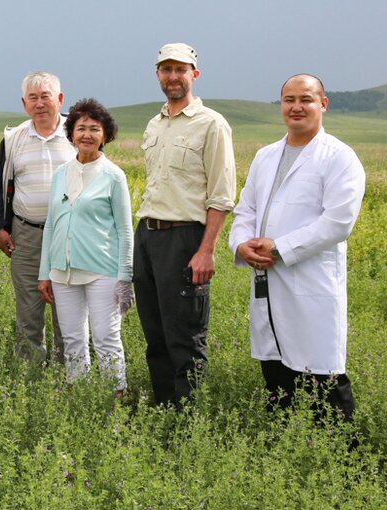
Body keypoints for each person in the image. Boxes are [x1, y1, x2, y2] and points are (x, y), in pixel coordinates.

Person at [229, 74, 365, 421]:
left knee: (325, 382)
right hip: (268, 283)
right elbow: (247, 209)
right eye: (289, 99)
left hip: (310, 283)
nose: (296, 107)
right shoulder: (265, 156)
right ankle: (285, 459)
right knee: (277, 379)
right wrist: (241, 243)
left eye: (306, 99)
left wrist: (280, 247)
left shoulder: (339, 157)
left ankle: (342, 466)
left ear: (323, 104)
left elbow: (338, 222)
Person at [133, 43, 236, 408]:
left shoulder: (211, 124)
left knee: (185, 337)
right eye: (166, 69)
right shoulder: (154, 124)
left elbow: (222, 196)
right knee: (155, 333)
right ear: (157, 73)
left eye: (181, 69)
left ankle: (187, 422)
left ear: (195, 73)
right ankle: (164, 410)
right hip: (147, 236)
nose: (173, 76)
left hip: (184, 238)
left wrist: (205, 250)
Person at [37, 98, 133, 394]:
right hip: (63, 273)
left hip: (102, 271)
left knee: (106, 338)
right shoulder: (60, 174)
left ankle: (115, 405)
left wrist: (125, 277)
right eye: (81, 128)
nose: (87, 135)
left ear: (105, 135)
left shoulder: (113, 176)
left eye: (94, 129)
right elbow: (51, 224)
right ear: (71, 134)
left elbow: (125, 230)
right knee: (73, 341)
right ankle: (82, 402)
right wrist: (45, 272)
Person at [0, 72, 75, 365]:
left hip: (71, 238)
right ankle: (32, 378)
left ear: (60, 99)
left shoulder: (79, 133)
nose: (40, 104)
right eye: (33, 98)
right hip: (26, 235)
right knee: (28, 312)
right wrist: (0, 227)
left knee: (69, 309)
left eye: (46, 96)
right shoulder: (13, 139)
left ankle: (71, 378)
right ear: (24, 103)